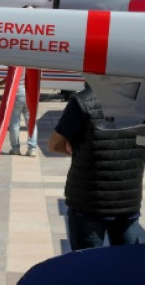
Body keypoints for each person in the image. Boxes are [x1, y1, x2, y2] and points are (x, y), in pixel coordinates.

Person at [48, 86, 145, 251]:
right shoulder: (140, 101)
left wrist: (80, 151)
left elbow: (54, 145)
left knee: (87, 269)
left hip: (88, 202)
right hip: (127, 199)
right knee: (128, 269)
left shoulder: (82, 101)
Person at [0, 75, 37, 156]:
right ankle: (32, 148)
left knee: (14, 122)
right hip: (30, 92)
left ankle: (15, 148)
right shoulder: (34, 62)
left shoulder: (16, 63)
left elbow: (10, 77)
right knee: (31, 122)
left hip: (17, 93)